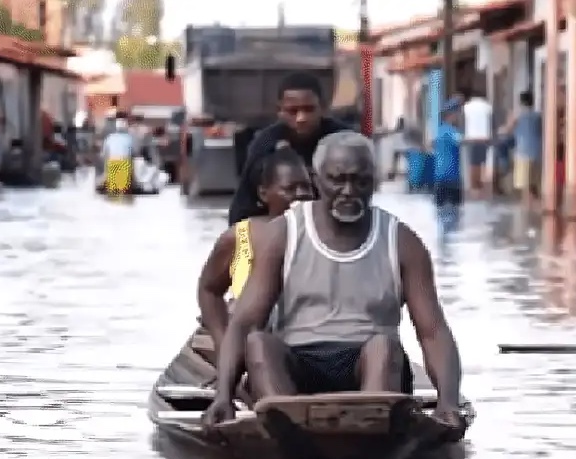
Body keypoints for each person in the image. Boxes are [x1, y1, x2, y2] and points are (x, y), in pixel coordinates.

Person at [202, 131, 464, 432]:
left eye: (360, 182)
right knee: (258, 343)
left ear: (374, 181)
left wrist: (448, 401)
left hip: (370, 367)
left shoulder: (402, 242)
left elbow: (432, 331)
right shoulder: (283, 235)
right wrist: (223, 395)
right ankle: (288, 430)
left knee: (384, 347)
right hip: (299, 364)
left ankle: (370, 431)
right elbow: (244, 323)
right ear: (317, 180)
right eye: (337, 180)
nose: (349, 191)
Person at [197, 149, 314, 354]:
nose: (301, 194)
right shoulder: (239, 237)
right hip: (252, 344)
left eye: (306, 186)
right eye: (290, 188)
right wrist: (222, 340)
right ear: (263, 194)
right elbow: (209, 290)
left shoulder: (323, 235)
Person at [227, 71, 350, 226]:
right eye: (293, 111)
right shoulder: (264, 145)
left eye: (309, 109)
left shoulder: (344, 141)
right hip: (279, 226)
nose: (301, 118)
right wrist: (248, 238)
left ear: (323, 108)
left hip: (335, 224)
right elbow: (242, 207)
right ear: (280, 111)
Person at [499, 90, 542, 209]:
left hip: (522, 152)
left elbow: (506, 130)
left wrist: (501, 130)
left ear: (521, 102)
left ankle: (527, 206)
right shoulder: (538, 116)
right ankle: (535, 205)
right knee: (533, 183)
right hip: (537, 152)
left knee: (524, 184)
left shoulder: (517, 116)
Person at [433, 98, 464, 232]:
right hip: (452, 178)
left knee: (440, 215)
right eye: (457, 114)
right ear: (451, 115)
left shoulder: (439, 131)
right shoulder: (451, 131)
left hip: (439, 177)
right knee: (455, 214)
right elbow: (462, 141)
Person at [462, 89, 493, 197]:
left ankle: (473, 187)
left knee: (472, 164)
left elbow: (463, 122)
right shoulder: (488, 107)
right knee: (482, 163)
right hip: (484, 138)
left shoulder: (467, 107)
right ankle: (480, 186)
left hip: (471, 138)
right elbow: (492, 122)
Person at [100, 117, 134, 193]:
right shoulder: (129, 138)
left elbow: (104, 153)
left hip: (112, 162)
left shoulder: (109, 137)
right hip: (124, 162)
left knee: (113, 189)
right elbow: (133, 152)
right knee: (122, 188)